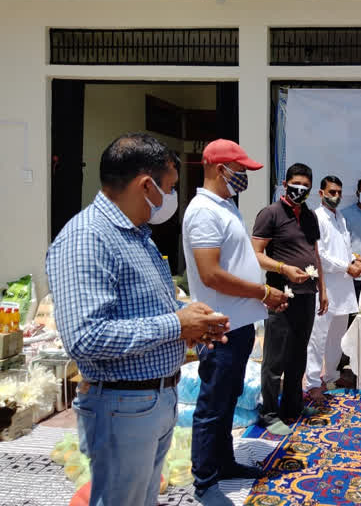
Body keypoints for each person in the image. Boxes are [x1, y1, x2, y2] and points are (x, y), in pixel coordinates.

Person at [46, 133, 229, 506]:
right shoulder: (87, 239)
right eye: (171, 187)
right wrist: (176, 325)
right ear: (147, 185)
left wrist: (191, 326)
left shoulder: (136, 235)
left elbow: (147, 312)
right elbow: (85, 337)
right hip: (121, 405)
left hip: (152, 400)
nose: (173, 198)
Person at [183, 139, 289, 505]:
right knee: (213, 403)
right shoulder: (202, 212)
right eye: (240, 170)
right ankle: (205, 479)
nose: (244, 177)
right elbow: (210, 274)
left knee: (226, 400)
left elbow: (242, 257)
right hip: (219, 325)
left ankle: (224, 463)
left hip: (238, 323)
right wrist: (261, 294)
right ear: (217, 168)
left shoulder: (225, 206)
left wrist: (278, 270)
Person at [252, 163, 327, 436]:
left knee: (298, 356)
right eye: (296, 186)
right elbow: (256, 254)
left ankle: (293, 406)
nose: (300, 191)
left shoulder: (309, 216)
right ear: (285, 185)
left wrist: (323, 289)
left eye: (305, 188)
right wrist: (283, 268)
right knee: (275, 359)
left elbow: (315, 255)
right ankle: (269, 412)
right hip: (280, 297)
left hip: (307, 296)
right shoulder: (270, 214)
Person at [305, 176, 361, 403]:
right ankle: (312, 383)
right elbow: (318, 254)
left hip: (344, 287)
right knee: (318, 336)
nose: (336, 197)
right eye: (331, 192)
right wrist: (346, 266)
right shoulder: (316, 218)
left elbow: (344, 249)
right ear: (321, 193)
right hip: (326, 285)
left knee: (338, 336)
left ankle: (331, 375)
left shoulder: (340, 217)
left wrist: (354, 261)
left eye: (339, 192)